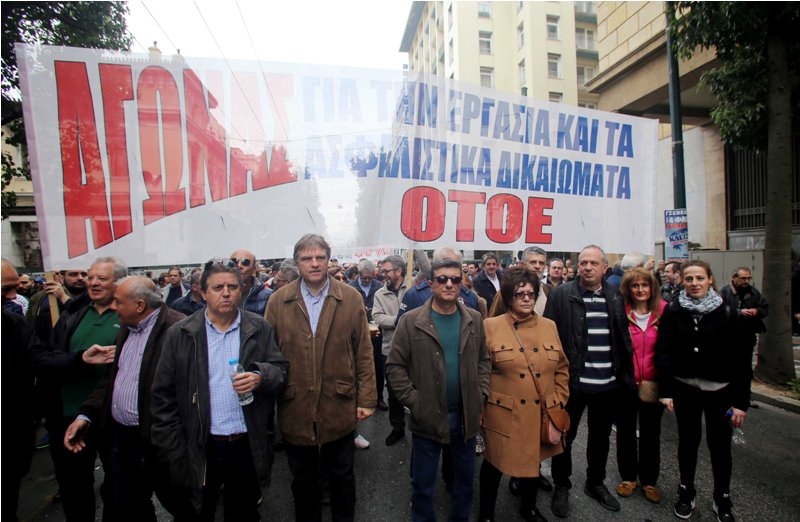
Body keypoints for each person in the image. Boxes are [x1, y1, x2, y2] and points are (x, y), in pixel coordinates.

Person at [151, 260, 288, 520]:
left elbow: (280, 369)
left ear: (241, 290)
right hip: (201, 444)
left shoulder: (258, 328)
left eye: (232, 286)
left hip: (245, 443)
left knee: (244, 512)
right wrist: (174, 450)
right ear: (203, 292)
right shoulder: (180, 334)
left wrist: (260, 376)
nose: (226, 293)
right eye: (217, 287)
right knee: (197, 511)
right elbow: (162, 397)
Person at [265, 234, 376, 522]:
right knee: (302, 480)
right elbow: (269, 355)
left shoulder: (349, 297)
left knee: (342, 476)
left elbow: (363, 351)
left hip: (338, 403)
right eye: (306, 258)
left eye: (320, 257)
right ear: (297, 262)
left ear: (328, 260)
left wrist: (367, 398)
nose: (314, 264)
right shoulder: (279, 301)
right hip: (295, 405)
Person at [63, 276, 188, 521]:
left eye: (118, 302)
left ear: (139, 305)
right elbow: (113, 378)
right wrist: (86, 414)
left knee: (182, 505)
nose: (113, 307)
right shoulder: (125, 329)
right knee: (130, 506)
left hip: (161, 442)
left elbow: (192, 392)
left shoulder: (179, 329)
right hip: (122, 440)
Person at [386, 257, 491, 522]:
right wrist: (415, 402)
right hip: (427, 418)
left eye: (455, 279)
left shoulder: (474, 319)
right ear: (430, 284)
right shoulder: (411, 321)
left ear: (461, 283)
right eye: (442, 279)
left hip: (465, 417)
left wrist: (480, 395)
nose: (449, 284)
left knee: (465, 484)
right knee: (423, 486)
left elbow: (483, 361)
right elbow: (395, 367)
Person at [31, 257, 126, 522]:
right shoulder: (73, 314)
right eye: (90, 276)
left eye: (101, 278)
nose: (92, 282)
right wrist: (80, 359)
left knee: (118, 484)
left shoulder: (130, 315)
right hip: (69, 413)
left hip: (112, 416)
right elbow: (47, 358)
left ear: (118, 283)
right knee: (74, 485)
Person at [543, 245, 634, 518]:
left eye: (593, 263)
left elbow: (623, 337)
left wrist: (625, 376)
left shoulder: (616, 296)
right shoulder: (561, 295)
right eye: (583, 262)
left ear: (605, 267)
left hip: (607, 383)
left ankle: (595, 482)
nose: (587, 267)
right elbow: (549, 338)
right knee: (564, 437)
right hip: (572, 383)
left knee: (600, 437)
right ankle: (562, 485)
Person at [656, 260, 750, 522]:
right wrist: (666, 390)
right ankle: (686, 490)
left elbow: (742, 362)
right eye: (689, 279)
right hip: (685, 388)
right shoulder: (674, 311)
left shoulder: (729, 313)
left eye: (699, 278)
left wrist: (741, 402)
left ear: (710, 280)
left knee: (720, 446)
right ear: (682, 282)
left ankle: (722, 497)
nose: (694, 284)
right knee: (688, 442)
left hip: (721, 391)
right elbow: (664, 352)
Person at [479, 266, 569, 522]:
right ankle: (486, 514)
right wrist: (481, 410)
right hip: (503, 414)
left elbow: (562, 368)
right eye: (520, 294)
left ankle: (528, 507)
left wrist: (558, 400)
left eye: (531, 293)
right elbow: (479, 372)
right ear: (509, 297)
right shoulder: (490, 327)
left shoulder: (549, 326)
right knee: (493, 466)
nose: (527, 298)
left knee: (532, 464)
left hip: (539, 413)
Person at [614, 268, 667, 504]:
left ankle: (649, 480)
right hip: (625, 383)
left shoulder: (665, 311)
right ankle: (628, 477)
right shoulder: (620, 313)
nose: (640, 290)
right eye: (635, 286)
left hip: (653, 383)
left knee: (650, 433)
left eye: (644, 285)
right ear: (628, 289)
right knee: (625, 431)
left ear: (652, 287)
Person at [2, 259, 36, 522]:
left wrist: (79, 358)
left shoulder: (13, 324)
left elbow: (37, 357)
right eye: (5, 289)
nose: (13, 296)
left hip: (9, 435)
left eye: (15, 288)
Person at [372, 255, 410, 446]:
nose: (383, 274)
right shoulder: (380, 294)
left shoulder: (412, 288)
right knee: (394, 393)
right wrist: (397, 321)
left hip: (415, 350)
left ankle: (422, 428)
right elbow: (377, 316)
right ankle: (397, 428)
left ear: (399, 271)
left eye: (386, 270)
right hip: (391, 350)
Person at [719, 267, 768, 359]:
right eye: (743, 278)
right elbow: (720, 310)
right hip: (729, 334)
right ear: (734, 278)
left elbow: (764, 308)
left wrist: (756, 311)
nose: (746, 281)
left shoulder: (753, 292)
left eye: (749, 278)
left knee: (746, 362)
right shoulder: (724, 291)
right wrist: (739, 312)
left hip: (747, 334)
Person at [230, 249, 273, 316]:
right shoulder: (217, 292)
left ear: (254, 269)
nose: (239, 266)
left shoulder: (269, 296)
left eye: (245, 262)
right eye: (234, 261)